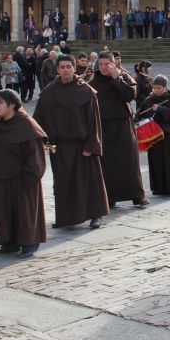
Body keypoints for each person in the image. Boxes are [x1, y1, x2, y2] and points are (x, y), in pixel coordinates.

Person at [33, 55, 109, 229]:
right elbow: (38, 119)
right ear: (57, 69)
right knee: (63, 183)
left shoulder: (86, 91)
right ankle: (66, 217)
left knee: (89, 182)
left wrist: (91, 145)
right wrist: (41, 139)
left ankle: (95, 214)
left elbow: (94, 121)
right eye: (62, 67)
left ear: (74, 68)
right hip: (59, 146)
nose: (65, 70)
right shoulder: (49, 92)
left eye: (69, 66)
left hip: (83, 145)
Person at [0, 89, 47, 258]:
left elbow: (35, 155)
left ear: (12, 104)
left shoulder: (27, 125)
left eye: (0, 102)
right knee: (2, 213)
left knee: (24, 213)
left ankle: (29, 242)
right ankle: (8, 242)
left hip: (21, 180)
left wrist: (30, 178)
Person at [89, 52, 148, 208]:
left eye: (107, 64)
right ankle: (110, 196)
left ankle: (136, 195)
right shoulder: (93, 82)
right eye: (100, 64)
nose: (103, 67)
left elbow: (129, 95)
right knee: (107, 164)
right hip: (103, 127)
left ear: (113, 63)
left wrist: (117, 78)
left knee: (129, 162)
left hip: (123, 126)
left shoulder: (125, 77)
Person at [136, 75, 170, 196]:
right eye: (154, 88)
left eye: (159, 88)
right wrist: (136, 121)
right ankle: (159, 187)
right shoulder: (149, 99)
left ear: (165, 87)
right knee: (156, 161)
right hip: (154, 136)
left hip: (168, 134)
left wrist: (161, 109)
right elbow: (139, 113)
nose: (156, 90)